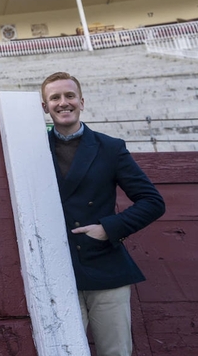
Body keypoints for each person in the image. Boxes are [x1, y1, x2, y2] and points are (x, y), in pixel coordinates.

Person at [40, 72, 165, 356]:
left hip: (105, 268)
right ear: (45, 107)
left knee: (115, 352)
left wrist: (108, 228)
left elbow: (152, 201)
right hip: (56, 271)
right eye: (55, 98)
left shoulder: (110, 147)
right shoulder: (33, 147)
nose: (63, 102)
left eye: (70, 96)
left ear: (82, 102)